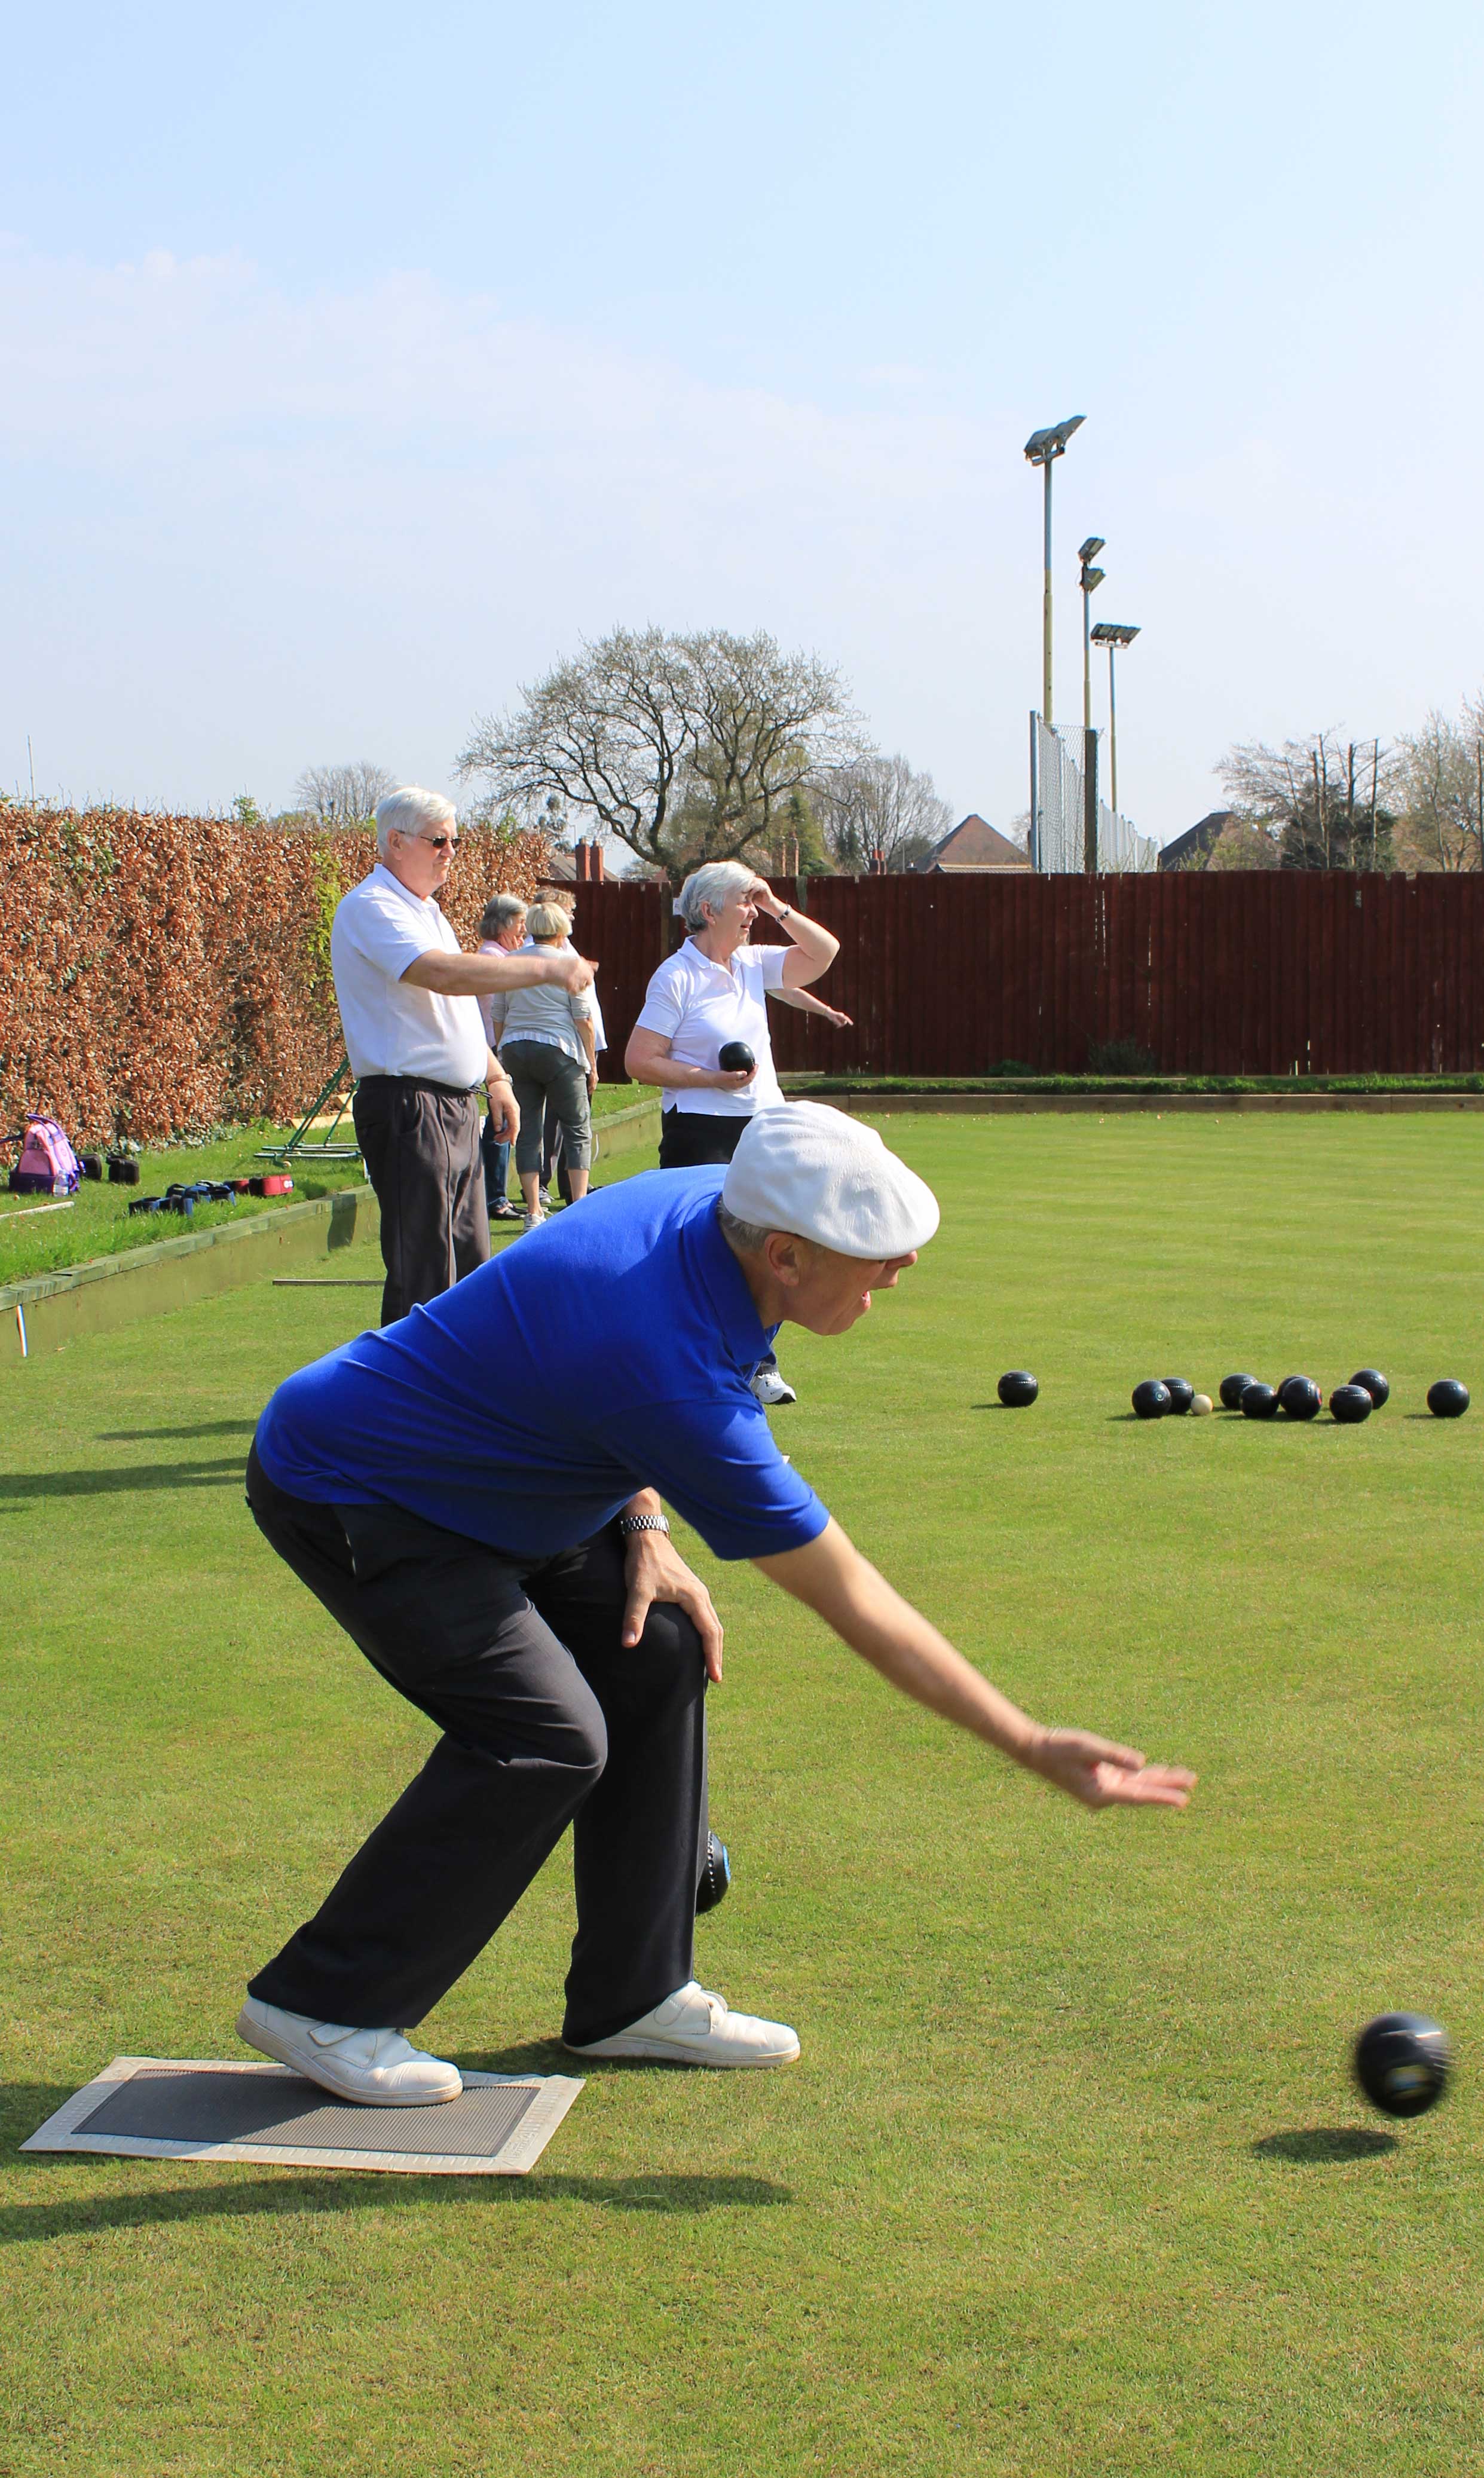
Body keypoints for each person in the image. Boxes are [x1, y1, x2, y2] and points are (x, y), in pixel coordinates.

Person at [235, 1103, 1194, 2106]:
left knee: (661, 1646)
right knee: (546, 1737)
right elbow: (850, 1596)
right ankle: (323, 2002)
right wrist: (1026, 1741)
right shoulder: (666, 1361)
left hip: (514, 1475)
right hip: (362, 1488)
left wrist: (644, 1524)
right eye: (871, 1247)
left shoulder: (714, 1209)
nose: (902, 1262)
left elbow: (575, 1367)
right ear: (783, 1255)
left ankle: (631, 1995)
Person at [331, 788, 593, 1324]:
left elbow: (453, 1010)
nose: (450, 851)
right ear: (396, 842)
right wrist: (547, 967)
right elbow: (442, 975)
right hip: (408, 1105)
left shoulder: (426, 912)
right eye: (438, 841)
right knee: (424, 1274)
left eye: (455, 840)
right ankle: (407, 1379)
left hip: (450, 1104)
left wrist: (496, 1078)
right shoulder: (371, 906)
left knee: (470, 1268)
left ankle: (462, 1377)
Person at [625, 860, 843, 1406]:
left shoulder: (751, 963)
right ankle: (686, 1361)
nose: (752, 913)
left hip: (762, 1125)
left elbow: (823, 953)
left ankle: (758, 1361)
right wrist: (711, 1080)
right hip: (699, 1128)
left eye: (754, 902)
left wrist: (776, 905)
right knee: (701, 1250)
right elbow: (640, 1060)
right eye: (744, 903)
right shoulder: (676, 975)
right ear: (708, 910)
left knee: (772, 1244)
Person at [488, 901, 598, 1225]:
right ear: (562, 930)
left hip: (516, 1048)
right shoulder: (570, 963)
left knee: (527, 1130)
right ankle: (579, 1207)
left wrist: (502, 1054)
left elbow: (498, 1013)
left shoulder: (510, 961)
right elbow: (583, 1018)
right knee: (577, 1128)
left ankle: (534, 1211)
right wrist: (591, 1063)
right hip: (560, 1050)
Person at [476, 894, 528, 1221]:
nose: (524, 931)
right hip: (495, 1050)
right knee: (500, 1121)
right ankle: (494, 1197)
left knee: (505, 1119)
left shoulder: (504, 956)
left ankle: (497, 1194)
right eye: (520, 923)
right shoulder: (492, 959)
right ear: (502, 925)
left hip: (500, 1047)